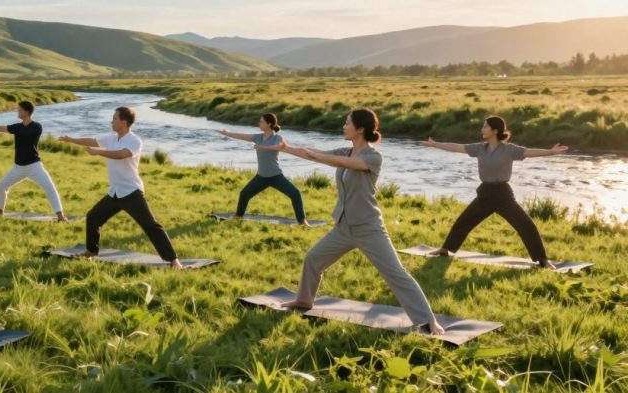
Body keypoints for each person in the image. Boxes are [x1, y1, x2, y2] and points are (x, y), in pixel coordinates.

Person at [260, 108, 443, 335]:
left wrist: (316, 156)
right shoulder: (346, 152)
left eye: (347, 123)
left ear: (360, 129)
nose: (344, 126)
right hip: (343, 227)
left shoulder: (373, 157)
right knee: (313, 259)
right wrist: (287, 149)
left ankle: (428, 321)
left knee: (396, 273)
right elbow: (315, 153)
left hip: (368, 228)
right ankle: (304, 300)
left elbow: (338, 161)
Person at [421, 115, 568, 269]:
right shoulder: (480, 148)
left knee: (526, 225)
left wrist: (551, 152)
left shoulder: (509, 149)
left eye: (485, 126)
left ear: (495, 130)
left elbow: (528, 152)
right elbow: (457, 147)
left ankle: (543, 259)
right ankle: (445, 249)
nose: (482, 129)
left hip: (503, 195)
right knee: (463, 222)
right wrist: (436, 144)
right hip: (484, 194)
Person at [59, 106, 183, 269]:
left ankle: (173, 260)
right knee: (93, 217)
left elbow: (121, 154)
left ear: (124, 122)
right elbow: (92, 140)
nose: (111, 121)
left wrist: (99, 152)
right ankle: (91, 251)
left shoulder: (134, 141)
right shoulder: (111, 138)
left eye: (115, 119)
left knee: (150, 225)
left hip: (131, 193)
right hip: (115, 193)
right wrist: (71, 140)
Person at [0, 100, 68, 221]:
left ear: (27, 112)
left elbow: (25, 132)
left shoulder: (36, 127)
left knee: (49, 188)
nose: (17, 112)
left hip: (34, 166)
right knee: (1, 186)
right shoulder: (17, 127)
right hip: (18, 167)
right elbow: (1, 128)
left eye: (19, 110)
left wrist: (15, 130)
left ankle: (60, 216)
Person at [217, 113, 308, 225]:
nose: (259, 123)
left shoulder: (277, 138)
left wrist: (261, 147)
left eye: (261, 121)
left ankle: (302, 222)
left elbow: (278, 147)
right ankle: (238, 217)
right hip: (261, 177)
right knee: (244, 194)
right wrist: (227, 133)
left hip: (276, 177)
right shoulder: (258, 137)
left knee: (295, 193)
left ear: (269, 124)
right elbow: (242, 136)